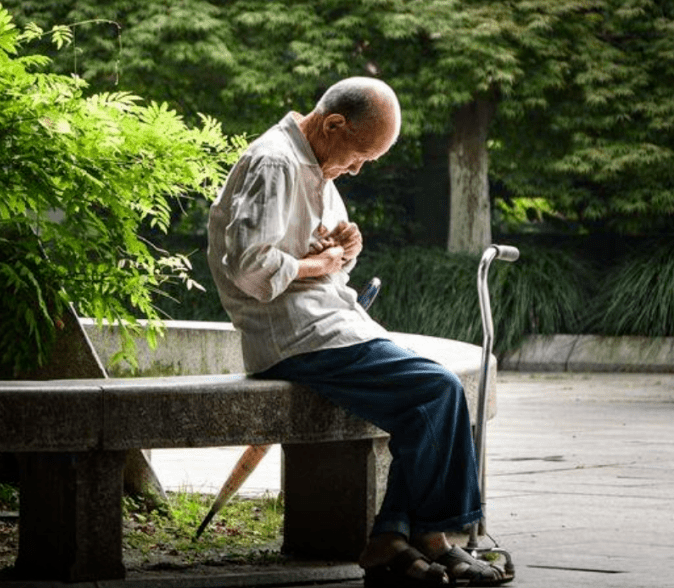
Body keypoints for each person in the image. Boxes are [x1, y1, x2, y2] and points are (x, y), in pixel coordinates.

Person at [206, 77, 513, 587]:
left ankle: (394, 539)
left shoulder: (313, 166)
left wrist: (343, 248)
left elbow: (321, 261)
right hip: (293, 335)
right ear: (332, 124)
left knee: (432, 398)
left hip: (323, 322)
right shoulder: (276, 162)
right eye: (359, 156)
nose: (357, 168)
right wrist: (317, 263)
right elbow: (247, 267)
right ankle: (429, 539)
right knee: (437, 390)